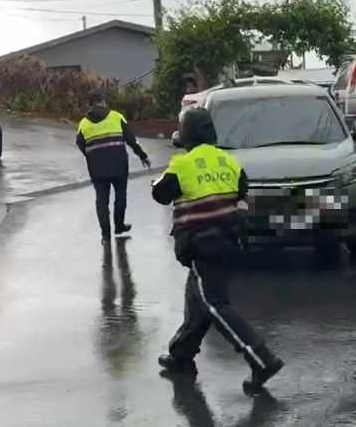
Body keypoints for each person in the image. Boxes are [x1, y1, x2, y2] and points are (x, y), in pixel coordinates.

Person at [151, 107, 284, 393]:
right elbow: (242, 191)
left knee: (213, 303)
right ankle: (181, 355)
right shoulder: (229, 161)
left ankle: (262, 359)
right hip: (228, 242)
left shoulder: (182, 164)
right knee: (197, 301)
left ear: (184, 134)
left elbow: (160, 193)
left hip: (201, 245)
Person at [76, 89, 151, 244]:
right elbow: (131, 140)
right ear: (102, 101)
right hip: (119, 166)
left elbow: (80, 144)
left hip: (97, 170)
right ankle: (119, 226)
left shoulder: (83, 124)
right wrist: (143, 156)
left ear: (89, 105)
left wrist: (92, 155)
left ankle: (105, 235)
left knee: (101, 201)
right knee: (120, 196)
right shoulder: (116, 117)